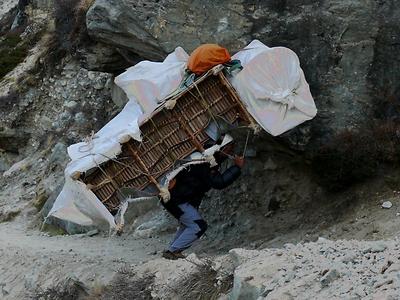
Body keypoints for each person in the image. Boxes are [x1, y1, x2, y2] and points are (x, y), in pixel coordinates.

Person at [161, 143, 244, 260]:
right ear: (220, 149)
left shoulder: (206, 158)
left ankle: (171, 250)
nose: (231, 151)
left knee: (188, 225)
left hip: (177, 198)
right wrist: (237, 167)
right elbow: (219, 182)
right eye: (229, 148)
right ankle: (173, 251)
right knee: (198, 226)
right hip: (177, 200)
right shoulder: (204, 163)